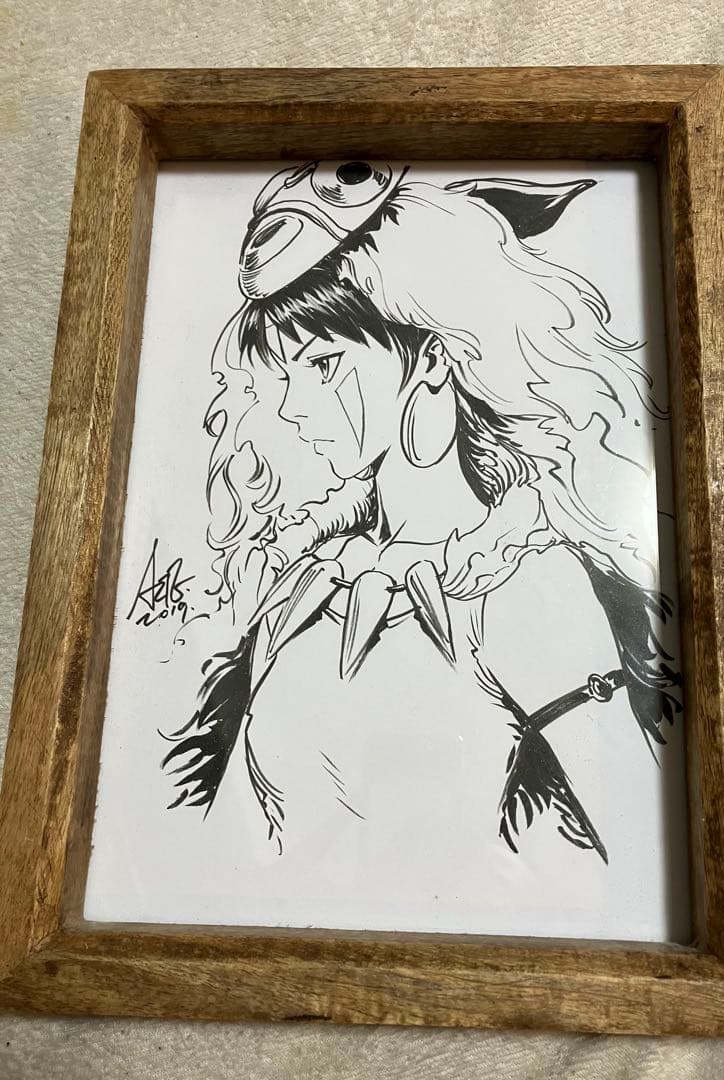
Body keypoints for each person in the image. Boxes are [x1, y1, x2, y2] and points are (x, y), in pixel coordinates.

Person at [161, 161, 681, 878]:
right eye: (285, 371)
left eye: (322, 365)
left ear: (433, 357)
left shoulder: (540, 582)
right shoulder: (305, 583)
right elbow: (201, 854)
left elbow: (630, 868)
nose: (290, 405)